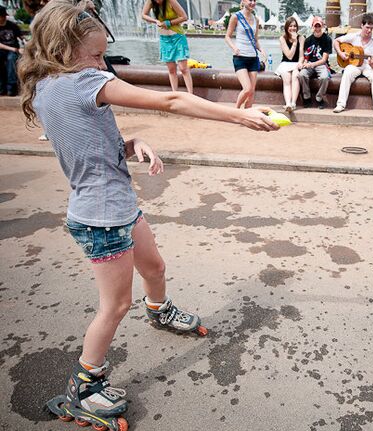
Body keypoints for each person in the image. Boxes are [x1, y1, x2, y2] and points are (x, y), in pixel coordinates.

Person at [18, 1, 278, 428]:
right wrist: (240, 115)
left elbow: (84, 148)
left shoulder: (48, 85)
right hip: (102, 218)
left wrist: (129, 141)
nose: (105, 66)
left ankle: (158, 308)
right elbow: (172, 100)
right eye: (98, 56)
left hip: (114, 205)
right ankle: (84, 387)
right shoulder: (86, 82)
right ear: (64, 49)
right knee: (115, 305)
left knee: (154, 265)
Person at [332, 14, 373, 116]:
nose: (369, 31)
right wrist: (340, 53)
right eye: (367, 27)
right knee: (347, 71)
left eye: (371, 28)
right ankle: (341, 104)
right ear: (362, 26)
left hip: (368, 66)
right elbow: (336, 41)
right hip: (355, 65)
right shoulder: (353, 36)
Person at [141, 0, 193, 94]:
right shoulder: (151, 2)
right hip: (164, 39)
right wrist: (155, 21)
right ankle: (175, 94)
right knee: (171, 69)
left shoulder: (171, 1)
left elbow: (184, 17)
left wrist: (168, 23)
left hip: (177, 37)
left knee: (183, 68)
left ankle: (191, 94)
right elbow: (143, 15)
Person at [225, 0, 267, 109]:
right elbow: (227, 36)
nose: (252, 3)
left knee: (252, 91)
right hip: (240, 58)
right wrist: (234, 47)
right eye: (250, 0)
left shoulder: (256, 19)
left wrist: (262, 50)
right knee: (247, 88)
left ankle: (248, 115)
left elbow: (255, 39)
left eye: (254, 0)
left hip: (253, 58)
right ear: (243, 1)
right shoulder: (236, 17)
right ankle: (236, 110)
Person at [297, 16, 331, 110]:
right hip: (310, 64)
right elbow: (306, 56)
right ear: (312, 26)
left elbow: (324, 59)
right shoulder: (308, 40)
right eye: (315, 26)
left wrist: (311, 64)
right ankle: (306, 96)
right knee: (301, 75)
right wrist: (304, 63)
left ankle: (319, 97)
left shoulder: (327, 39)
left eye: (319, 26)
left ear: (322, 26)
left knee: (325, 77)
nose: (317, 28)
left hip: (321, 64)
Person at [275, 17, 303, 112]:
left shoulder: (301, 38)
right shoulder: (282, 39)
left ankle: (293, 103)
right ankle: (288, 104)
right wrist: (295, 42)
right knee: (287, 79)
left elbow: (301, 55)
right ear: (287, 27)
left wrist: (300, 63)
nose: (293, 28)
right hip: (286, 63)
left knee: (296, 76)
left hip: (296, 63)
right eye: (290, 26)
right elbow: (289, 56)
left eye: (295, 26)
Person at [0, 6, 24, 97]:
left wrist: (26, 44)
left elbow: (21, 37)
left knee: (11, 59)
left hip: (13, 50)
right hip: (5, 49)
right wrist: (13, 49)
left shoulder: (13, 26)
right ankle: (1, 87)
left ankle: (11, 87)